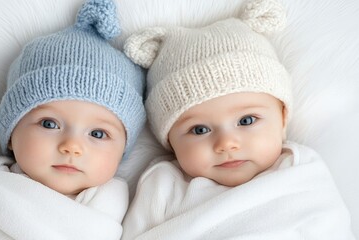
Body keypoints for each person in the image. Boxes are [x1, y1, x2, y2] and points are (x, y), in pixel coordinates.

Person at [121, 0, 355, 239]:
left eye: (246, 121)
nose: (227, 143)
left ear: (283, 119)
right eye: (199, 129)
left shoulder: (299, 168)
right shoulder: (163, 185)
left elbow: (331, 224)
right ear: (170, 141)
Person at [0, 0, 145, 239]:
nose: (72, 147)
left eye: (97, 134)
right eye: (49, 124)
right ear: (12, 134)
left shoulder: (124, 206)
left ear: (122, 152)